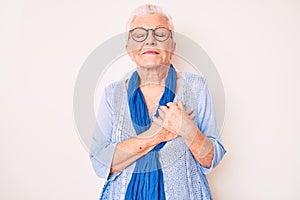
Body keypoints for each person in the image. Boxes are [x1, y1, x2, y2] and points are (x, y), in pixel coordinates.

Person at [90, 4, 226, 200]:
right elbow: (100, 163)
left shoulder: (196, 87)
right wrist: (157, 134)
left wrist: (188, 130)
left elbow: (210, 159)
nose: (150, 40)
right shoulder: (113, 94)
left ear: (172, 47)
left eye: (161, 34)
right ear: (129, 49)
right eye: (139, 35)